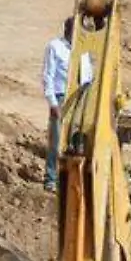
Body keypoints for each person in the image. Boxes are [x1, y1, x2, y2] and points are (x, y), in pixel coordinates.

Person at [40, 17, 93, 192]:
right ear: (69, 30)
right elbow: (48, 76)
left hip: (80, 96)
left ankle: (72, 179)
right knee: (56, 140)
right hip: (61, 97)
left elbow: (88, 74)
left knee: (77, 141)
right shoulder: (55, 47)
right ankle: (51, 179)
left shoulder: (84, 49)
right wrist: (53, 103)